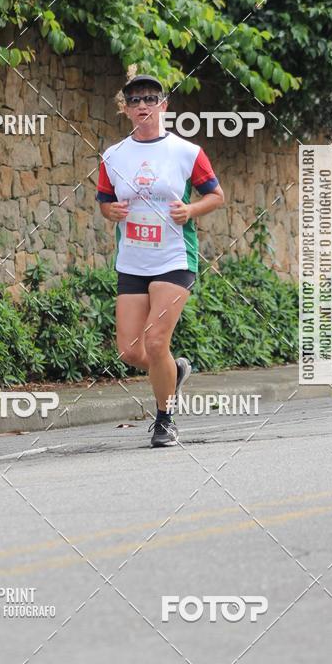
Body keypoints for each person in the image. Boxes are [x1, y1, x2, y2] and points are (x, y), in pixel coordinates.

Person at [96, 75, 225, 447]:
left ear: (164, 106)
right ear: (125, 108)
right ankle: (176, 369)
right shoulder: (114, 156)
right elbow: (104, 201)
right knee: (130, 351)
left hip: (174, 258)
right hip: (133, 261)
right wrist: (111, 211)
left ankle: (164, 419)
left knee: (155, 342)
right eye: (134, 99)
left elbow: (216, 195)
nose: (142, 105)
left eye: (150, 98)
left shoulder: (186, 152)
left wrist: (192, 209)